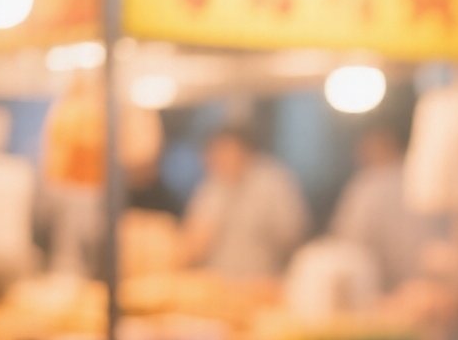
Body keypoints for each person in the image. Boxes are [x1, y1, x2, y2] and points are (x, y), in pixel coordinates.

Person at [181, 128, 309, 280]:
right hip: (218, 281)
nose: (217, 159)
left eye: (224, 151)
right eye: (213, 154)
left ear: (245, 151)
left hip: (264, 281)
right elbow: (195, 241)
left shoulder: (273, 182)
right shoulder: (212, 186)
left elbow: (293, 235)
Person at [329, 122, 429, 293]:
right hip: (433, 290)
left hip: (384, 292)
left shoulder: (368, 186)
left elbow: (350, 244)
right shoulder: (426, 179)